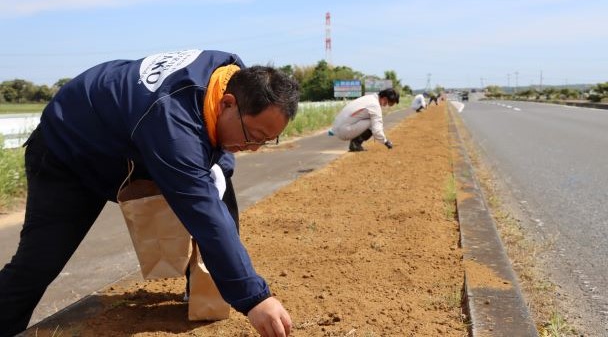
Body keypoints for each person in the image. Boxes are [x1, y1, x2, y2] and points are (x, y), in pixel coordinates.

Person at [0, 49, 299, 337]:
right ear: (228, 103)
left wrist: (224, 164)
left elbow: (217, 164)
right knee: (38, 264)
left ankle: (204, 289)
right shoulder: (173, 125)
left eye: (266, 141)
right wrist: (255, 299)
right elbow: (205, 216)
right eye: (253, 138)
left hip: (127, 136)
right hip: (68, 150)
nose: (254, 149)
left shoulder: (231, 74)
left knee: (220, 186)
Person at [329, 88, 399, 152]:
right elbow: (377, 130)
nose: (386, 105)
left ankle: (355, 143)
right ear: (385, 99)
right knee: (373, 123)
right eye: (390, 103)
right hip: (343, 131)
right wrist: (386, 142)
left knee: (372, 120)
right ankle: (355, 144)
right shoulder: (375, 106)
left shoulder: (369, 98)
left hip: (337, 127)